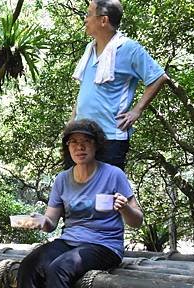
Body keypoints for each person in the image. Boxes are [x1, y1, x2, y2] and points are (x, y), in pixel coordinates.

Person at [0, 119, 143, 288]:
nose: (80, 147)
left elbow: (137, 220)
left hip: (104, 245)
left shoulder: (113, 175)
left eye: (85, 142)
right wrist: (40, 221)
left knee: (60, 268)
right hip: (70, 240)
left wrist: (125, 208)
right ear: (68, 148)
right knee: (29, 264)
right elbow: (51, 222)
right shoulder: (62, 180)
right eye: (74, 142)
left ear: (96, 145)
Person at [71, 0, 168, 170]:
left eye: (88, 14)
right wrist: (71, 123)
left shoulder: (129, 48)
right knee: (77, 195)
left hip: (111, 138)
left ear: (103, 20)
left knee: (105, 196)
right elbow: (84, 91)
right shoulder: (89, 50)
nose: (85, 19)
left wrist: (136, 110)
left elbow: (159, 77)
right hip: (81, 137)